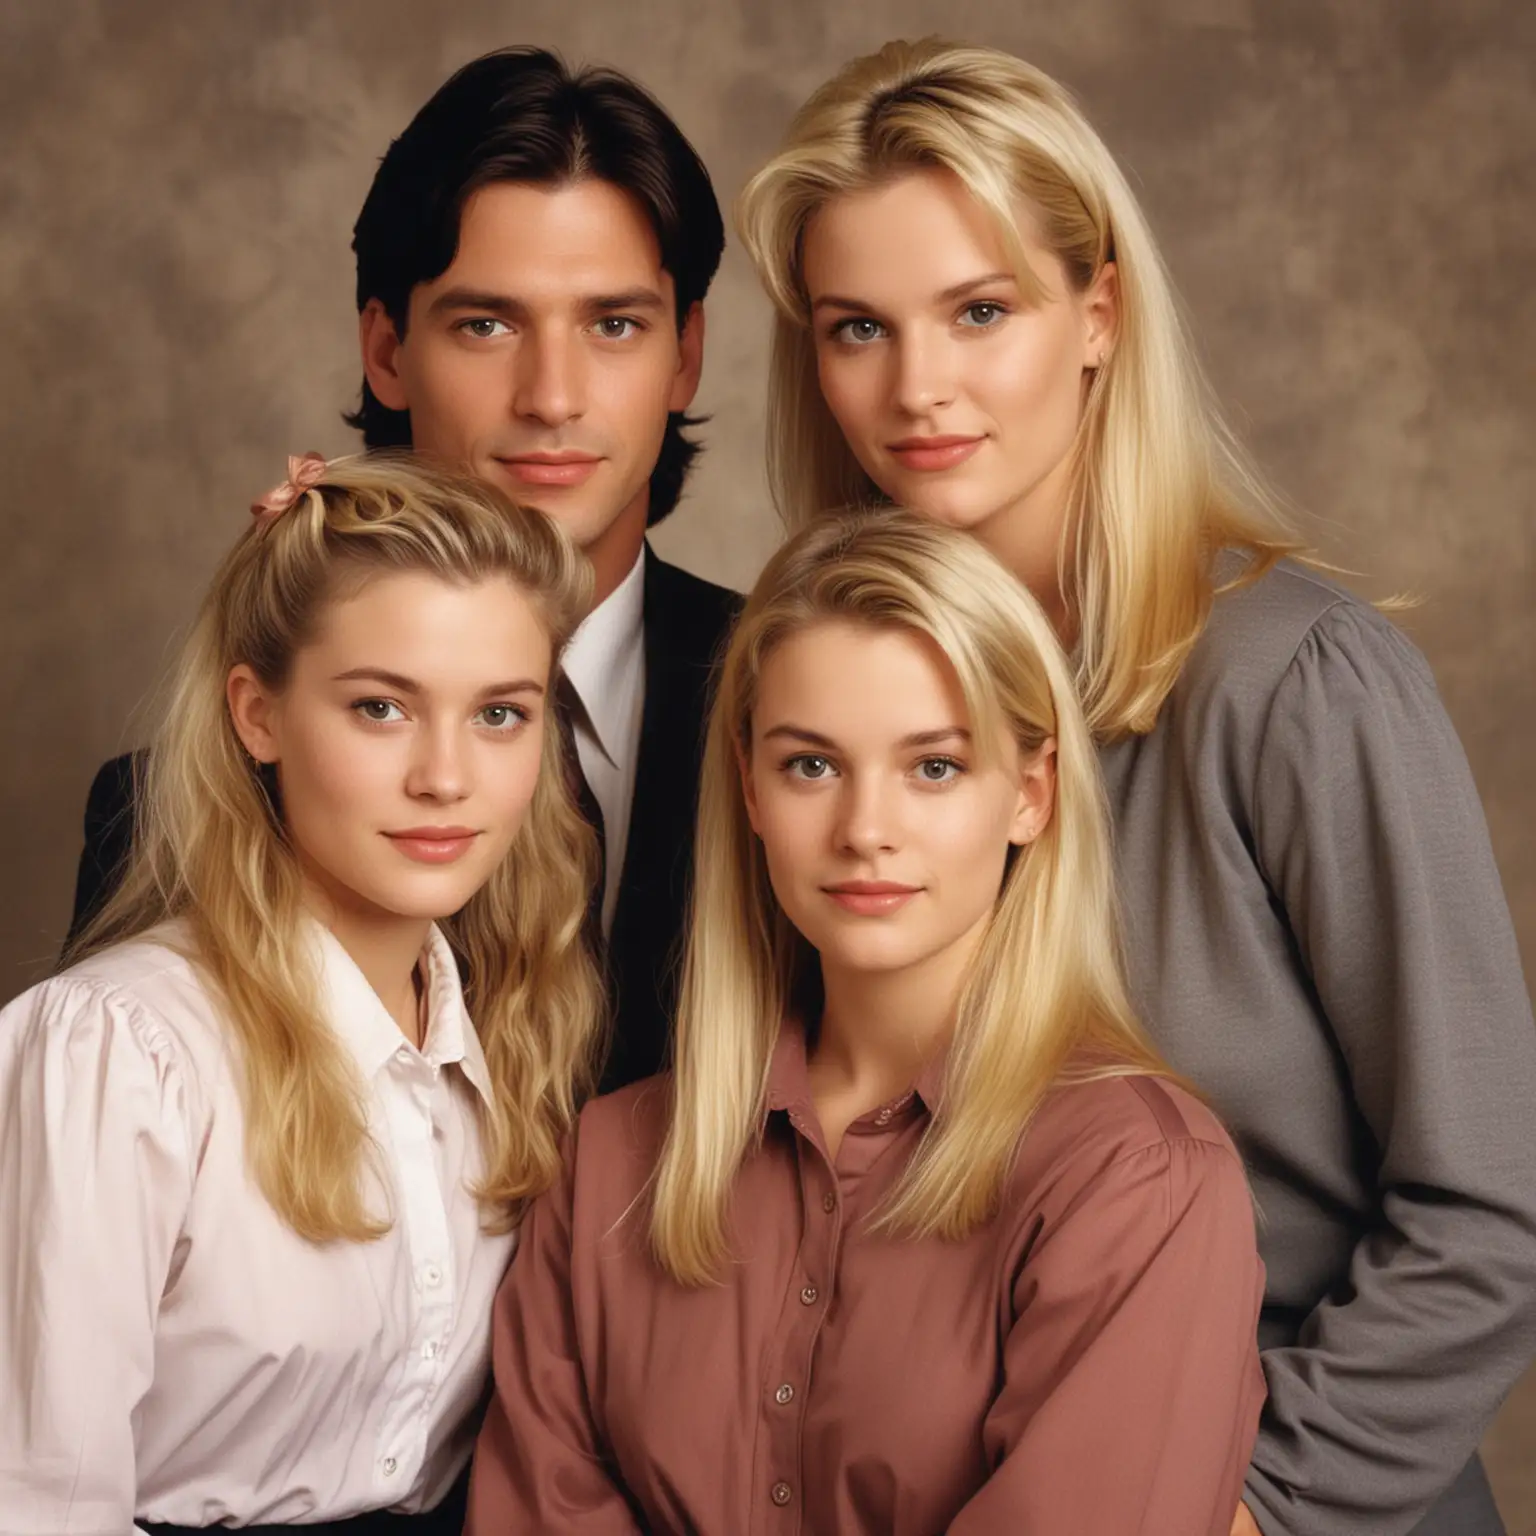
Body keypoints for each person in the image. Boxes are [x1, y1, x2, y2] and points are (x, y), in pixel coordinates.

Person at [735, 38, 1536, 1536]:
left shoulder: (1295, 683)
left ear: (1098, 311)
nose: (919, 388)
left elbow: (1493, 1212)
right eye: (858, 328)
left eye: (981, 312)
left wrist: (1245, 1506)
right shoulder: (831, 716)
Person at [464, 510, 1267, 1535]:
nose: (865, 832)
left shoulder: (1139, 1184)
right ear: (748, 786)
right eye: (812, 765)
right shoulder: (610, 1168)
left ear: (1030, 793)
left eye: (933, 767)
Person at [70, 47, 740, 1090]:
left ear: (685, 355)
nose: (552, 396)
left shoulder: (808, 709)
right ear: (386, 350)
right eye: (486, 323)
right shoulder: (177, 813)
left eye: (614, 324)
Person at [0, 454, 604, 1534]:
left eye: (501, 715)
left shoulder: (516, 1036)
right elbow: (38, 1503)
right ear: (258, 715)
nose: (446, 777)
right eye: (381, 708)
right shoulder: (123, 1053)